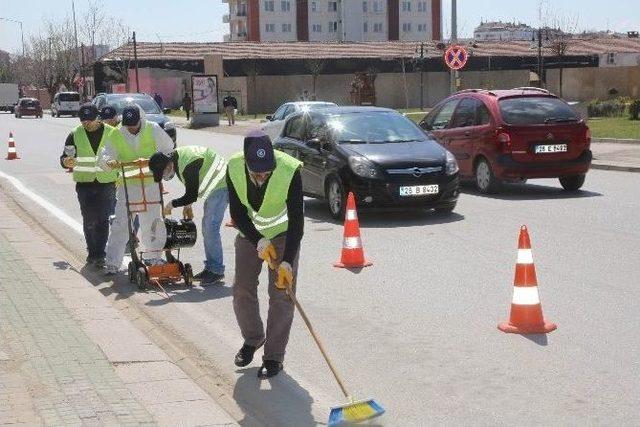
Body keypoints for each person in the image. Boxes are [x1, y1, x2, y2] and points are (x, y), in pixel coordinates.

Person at [226, 130, 304, 379]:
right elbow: (237, 213)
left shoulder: (290, 170)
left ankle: (273, 357)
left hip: (284, 236)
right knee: (241, 289)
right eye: (256, 172)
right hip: (251, 235)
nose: (262, 176)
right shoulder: (234, 167)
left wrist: (288, 262)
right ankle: (253, 338)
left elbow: (297, 221)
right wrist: (258, 240)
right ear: (246, 163)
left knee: (282, 295)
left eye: (266, 171)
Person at [98, 104, 174, 275]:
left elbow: (169, 148)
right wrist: (108, 162)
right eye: (128, 125)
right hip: (128, 184)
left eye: (134, 124)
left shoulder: (153, 129)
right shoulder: (117, 133)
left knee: (153, 221)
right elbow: (104, 154)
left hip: (150, 184)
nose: (131, 128)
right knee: (121, 224)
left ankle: (153, 257)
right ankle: (112, 262)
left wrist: (162, 162)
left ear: (141, 119)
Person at [148, 146, 229, 284]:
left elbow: (191, 194)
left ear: (168, 166)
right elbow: (193, 186)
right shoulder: (177, 160)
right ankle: (212, 268)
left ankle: (215, 270)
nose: (164, 176)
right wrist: (187, 205)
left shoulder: (187, 165)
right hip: (217, 185)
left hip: (221, 184)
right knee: (208, 227)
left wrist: (171, 205)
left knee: (210, 228)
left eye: (163, 173)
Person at [60, 104, 118, 267]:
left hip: (106, 183)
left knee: (102, 219)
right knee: (89, 219)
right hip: (84, 184)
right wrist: (66, 162)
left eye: (90, 120)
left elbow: (120, 154)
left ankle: (99, 254)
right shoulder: (74, 134)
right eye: (84, 121)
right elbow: (65, 158)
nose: (87, 124)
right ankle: (93, 252)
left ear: (98, 118)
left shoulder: (112, 133)